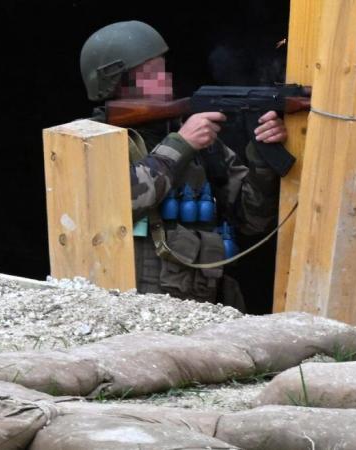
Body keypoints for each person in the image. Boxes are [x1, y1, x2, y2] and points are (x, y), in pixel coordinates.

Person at [79, 20, 288, 311]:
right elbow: (114, 201)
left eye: (162, 69)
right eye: (149, 74)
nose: (164, 79)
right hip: (131, 307)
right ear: (116, 83)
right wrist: (182, 145)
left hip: (204, 303)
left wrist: (263, 152)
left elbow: (252, 219)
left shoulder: (198, 140)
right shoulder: (91, 138)